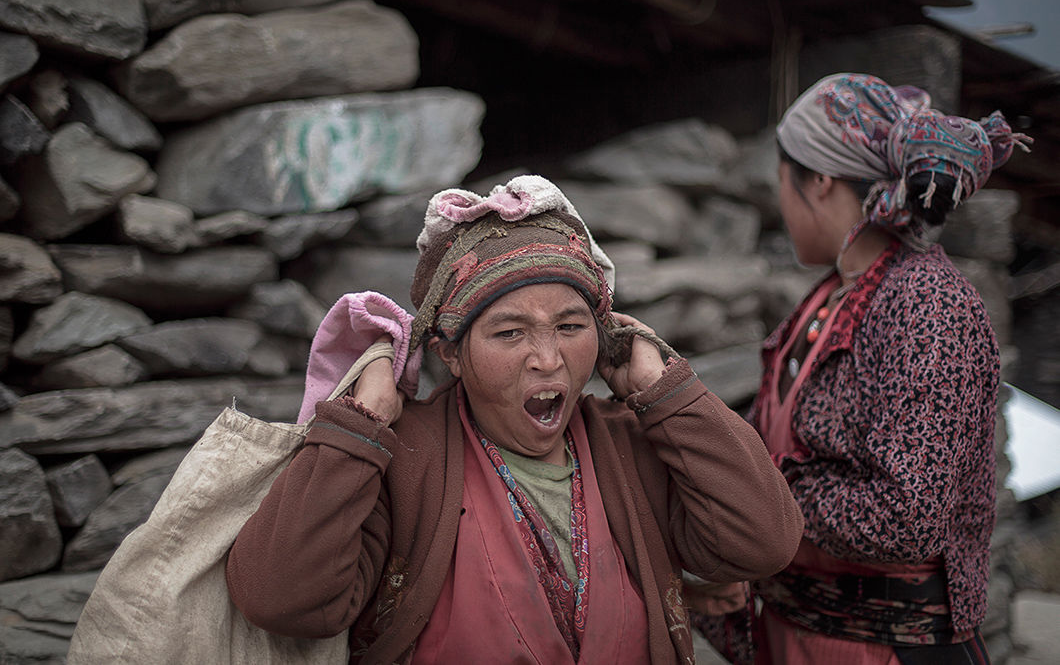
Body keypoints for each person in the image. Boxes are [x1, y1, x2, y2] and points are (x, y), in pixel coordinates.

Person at [225, 175, 804, 664]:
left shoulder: (633, 445)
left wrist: (665, 392)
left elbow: (763, 542)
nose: (548, 359)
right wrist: (360, 423)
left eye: (572, 327)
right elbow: (282, 600)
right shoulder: (403, 462)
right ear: (450, 351)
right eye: (510, 333)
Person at [694, 73, 1030, 665]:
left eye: (781, 181)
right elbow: (772, 430)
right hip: (800, 636)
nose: (781, 201)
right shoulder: (833, 295)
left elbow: (907, 516)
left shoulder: (926, 306)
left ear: (818, 181)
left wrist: (759, 495)